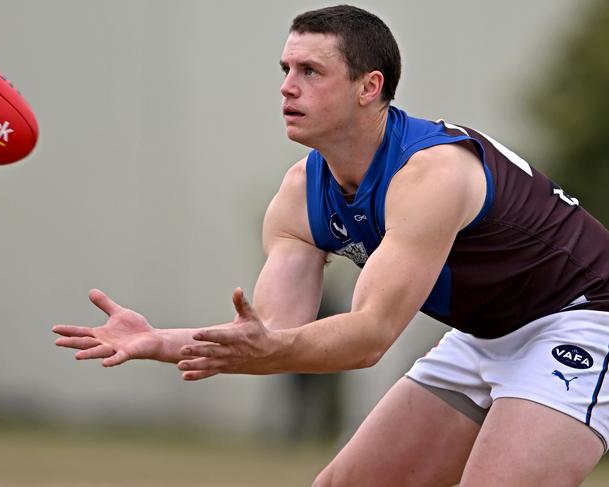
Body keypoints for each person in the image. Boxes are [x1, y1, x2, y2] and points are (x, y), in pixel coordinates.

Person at [54, 5, 609, 486]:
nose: (287, 86)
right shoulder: (301, 192)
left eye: (311, 71)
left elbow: (368, 339)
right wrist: (157, 340)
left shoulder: (430, 173)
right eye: (286, 69)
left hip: (583, 320)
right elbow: (272, 335)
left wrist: (261, 349)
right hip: (486, 334)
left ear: (369, 86)